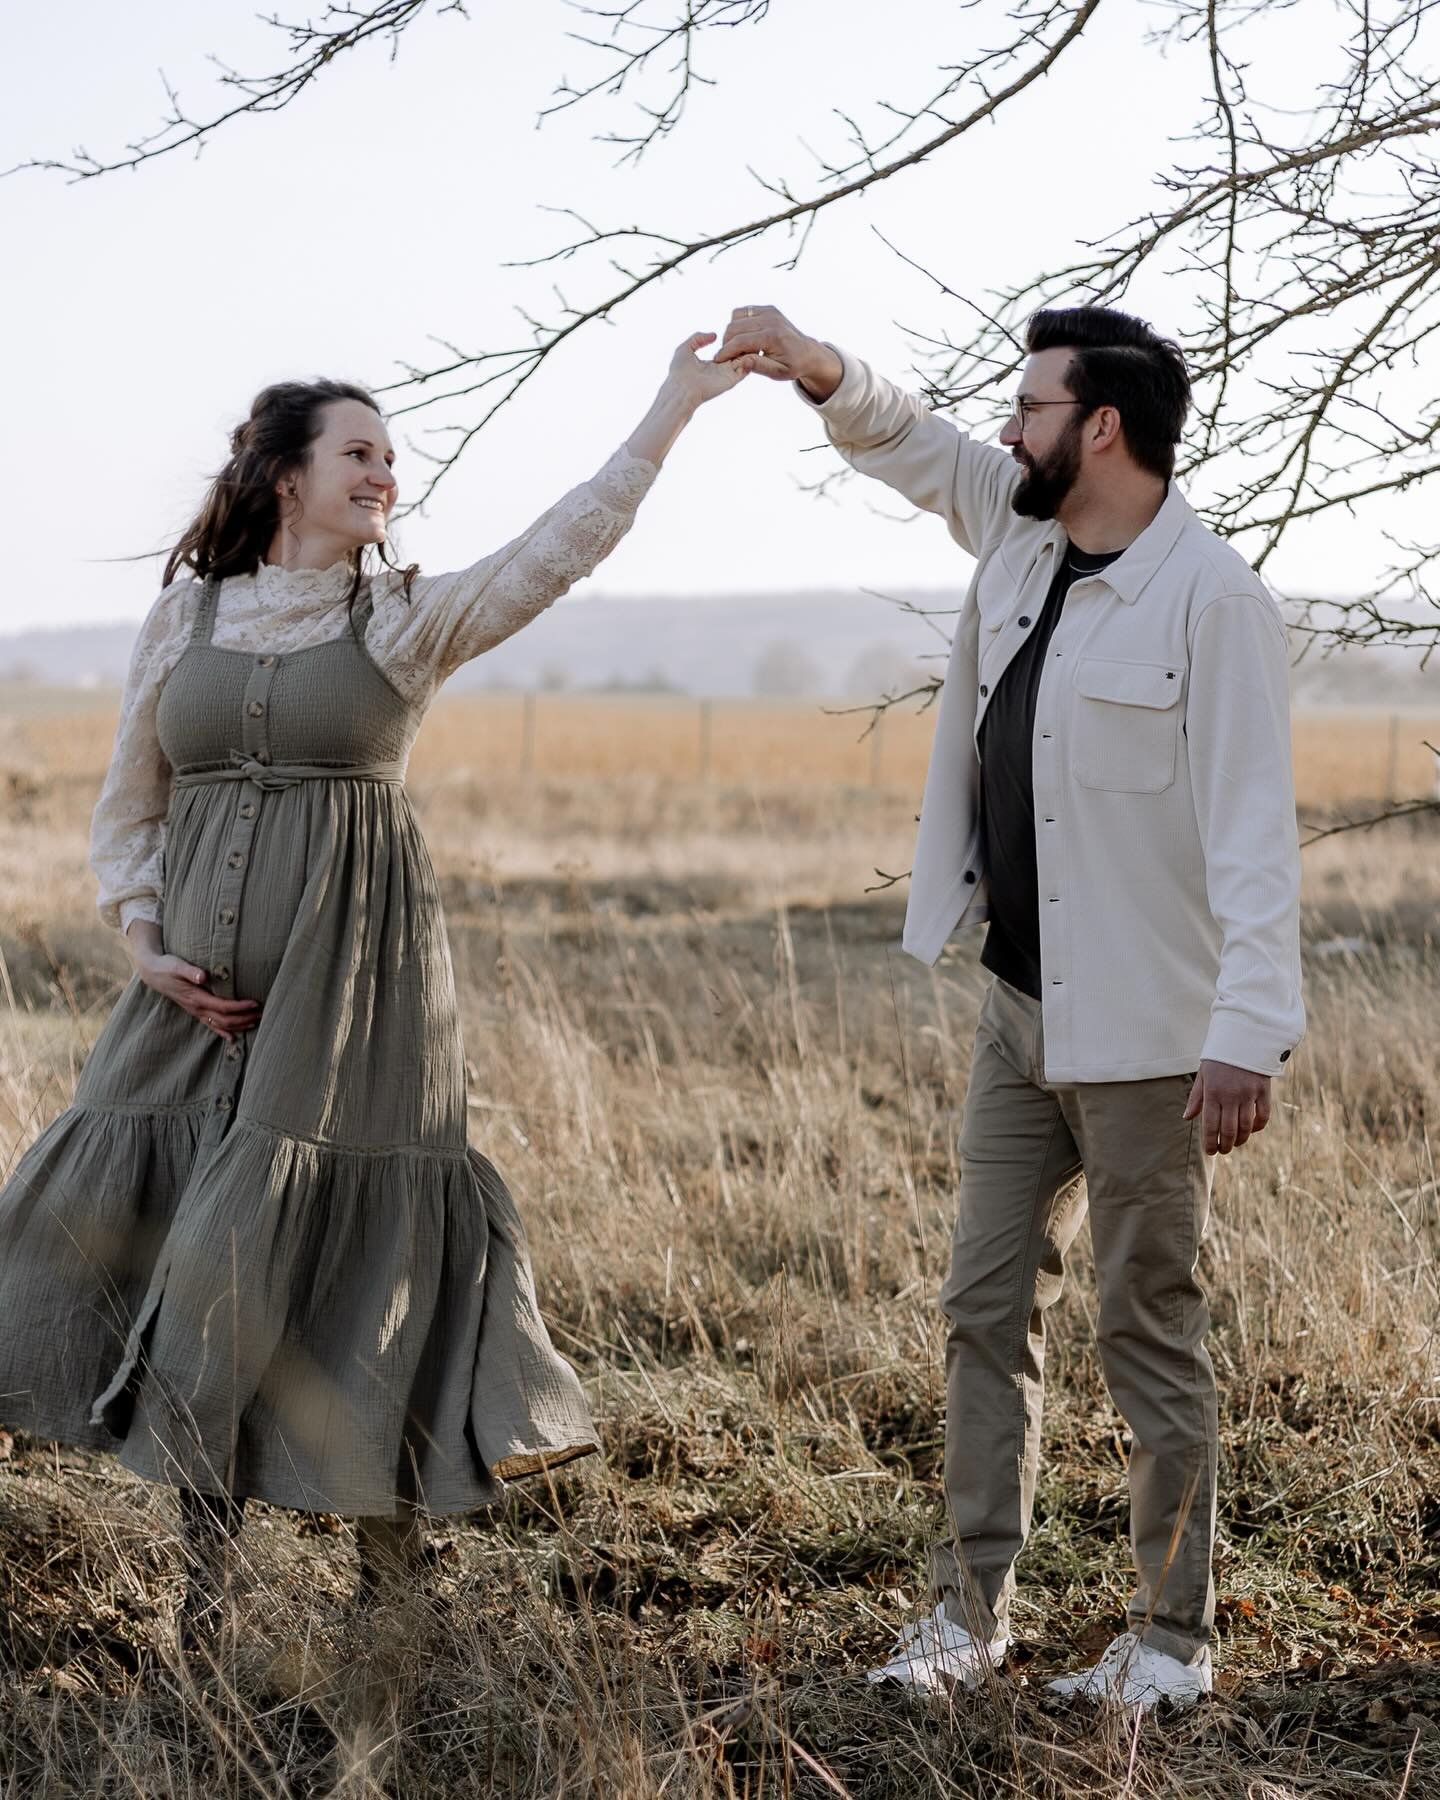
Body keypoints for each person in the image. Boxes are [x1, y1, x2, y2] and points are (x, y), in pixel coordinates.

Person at [0, 332, 751, 1646]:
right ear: (283, 476)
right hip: (186, 1001)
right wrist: (143, 941)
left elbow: (557, 549)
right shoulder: (189, 615)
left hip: (353, 995)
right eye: (359, 452)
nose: (385, 475)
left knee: (344, 1260)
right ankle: (204, 1593)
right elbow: (131, 801)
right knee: (152, 1247)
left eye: (392, 458)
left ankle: (394, 1574)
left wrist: (671, 408)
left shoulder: (401, 619)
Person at [717, 303, 1303, 1711]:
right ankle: (967, 1617)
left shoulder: (1210, 599)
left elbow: (1253, 834)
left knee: (1144, 1327)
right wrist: (816, 365)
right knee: (984, 1307)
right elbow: (910, 442)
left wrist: (1247, 1030)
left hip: (1153, 1040)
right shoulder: (1023, 536)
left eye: (1031, 406)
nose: (1007, 426)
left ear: (1100, 426)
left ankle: (1170, 1645)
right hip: (1018, 1008)